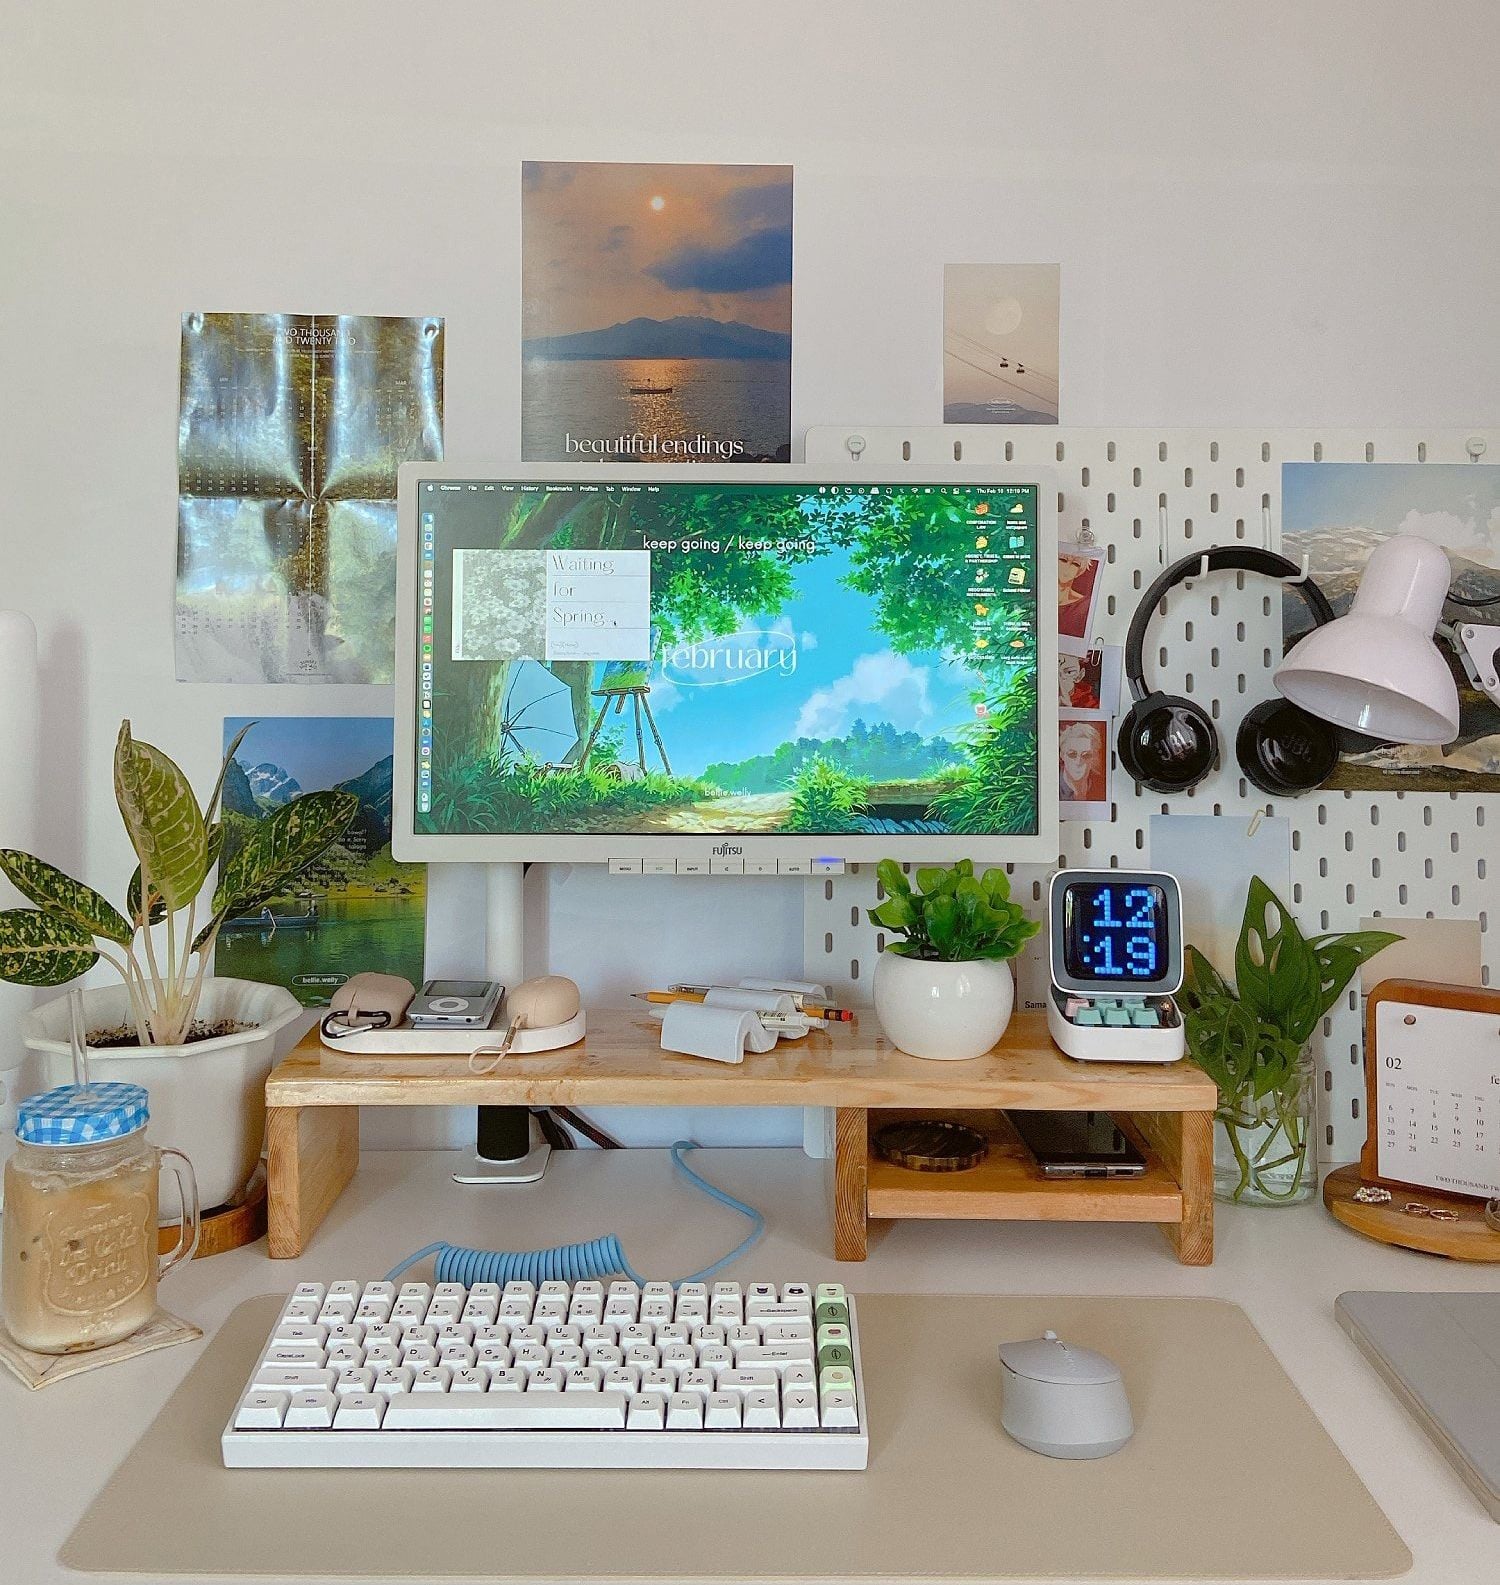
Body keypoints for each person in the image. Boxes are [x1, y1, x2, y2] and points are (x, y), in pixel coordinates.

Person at [1059, 719, 1107, 804]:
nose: (1078, 762)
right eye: (1072, 754)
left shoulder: (1103, 785)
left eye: (1086, 755)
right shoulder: (1051, 786)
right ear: (1062, 755)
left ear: (1093, 756)